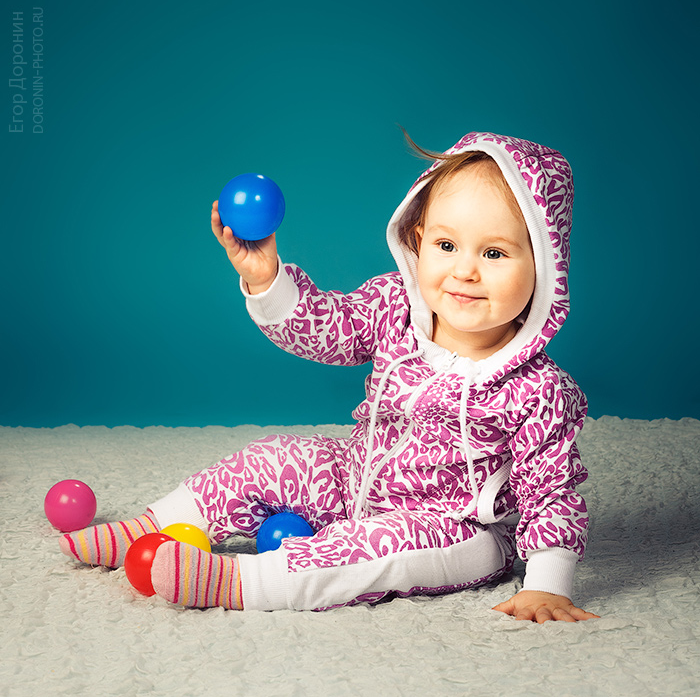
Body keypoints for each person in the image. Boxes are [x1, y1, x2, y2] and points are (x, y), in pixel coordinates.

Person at [60, 131, 599, 623]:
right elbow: (326, 328)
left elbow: (552, 490)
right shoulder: (394, 308)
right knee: (273, 458)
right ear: (418, 239)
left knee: (380, 549)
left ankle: (240, 581)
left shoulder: (539, 389)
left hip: (458, 528)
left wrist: (547, 583)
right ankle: (153, 526)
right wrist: (267, 280)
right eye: (446, 245)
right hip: (353, 481)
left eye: (495, 253)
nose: (464, 270)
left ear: (544, 267)